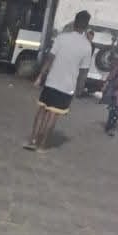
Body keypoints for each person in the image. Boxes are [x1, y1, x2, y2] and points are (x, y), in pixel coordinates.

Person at [24, 9, 93, 152]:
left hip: (52, 81)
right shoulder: (87, 46)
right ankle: (42, 145)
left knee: (42, 111)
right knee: (53, 115)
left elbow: (50, 58)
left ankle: (32, 140)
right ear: (86, 26)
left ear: (74, 22)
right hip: (67, 87)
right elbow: (84, 72)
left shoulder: (61, 38)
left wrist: (40, 76)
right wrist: (79, 89)